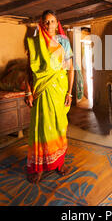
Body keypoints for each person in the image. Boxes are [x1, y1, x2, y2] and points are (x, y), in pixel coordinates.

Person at [24, 10, 74, 183]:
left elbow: (71, 68)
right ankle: (38, 167)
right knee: (40, 128)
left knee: (59, 127)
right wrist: (28, 92)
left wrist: (70, 92)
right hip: (41, 90)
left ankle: (59, 163)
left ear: (57, 22)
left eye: (52, 21)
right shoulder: (35, 43)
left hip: (59, 90)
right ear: (41, 23)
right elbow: (29, 69)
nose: (50, 25)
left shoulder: (64, 42)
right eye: (46, 22)